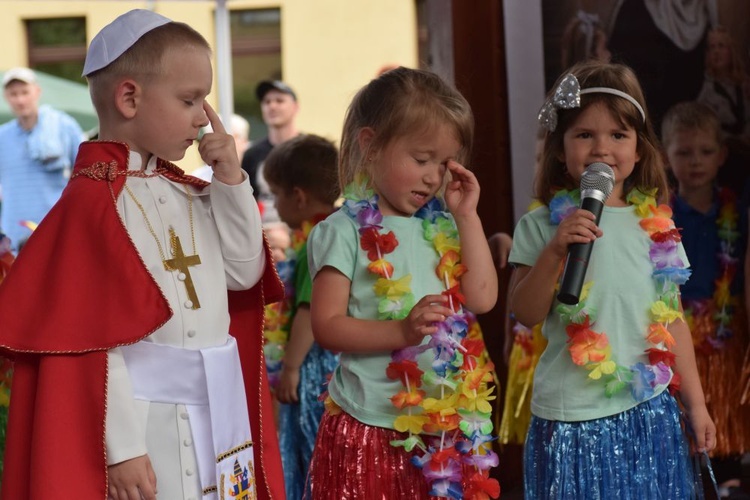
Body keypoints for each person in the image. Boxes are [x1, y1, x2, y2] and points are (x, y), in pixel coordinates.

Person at [0, 9, 284, 500]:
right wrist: (122, 448)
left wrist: (231, 181)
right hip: (147, 425)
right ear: (129, 97)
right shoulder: (91, 207)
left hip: (221, 417)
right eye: (189, 99)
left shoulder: (193, 192)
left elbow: (244, 274)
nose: (202, 116)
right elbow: (86, 339)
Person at [510, 60, 715, 498]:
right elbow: (525, 313)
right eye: (585, 135)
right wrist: (555, 253)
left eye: (618, 136)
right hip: (571, 417)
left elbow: (673, 322)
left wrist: (696, 406)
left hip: (649, 411)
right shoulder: (541, 225)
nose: (602, 148)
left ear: (639, 151)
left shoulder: (657, 228)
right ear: (560, 151)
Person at [305, 67, 499, 499]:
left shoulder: (445, 227)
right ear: (370, 146)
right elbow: (327, 325)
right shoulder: (343, 231)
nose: (434, 177)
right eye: (421, 159)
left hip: (444, 433)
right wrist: (401, 332)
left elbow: (482, 298)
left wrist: (467, 216)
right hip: (370, 425)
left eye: (444, 163)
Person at [662, 101, 750, 496]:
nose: (695, 162)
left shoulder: (736, 210)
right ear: (666, 155)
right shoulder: (659, 215)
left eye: (705, 152)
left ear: (722, 156)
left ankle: (728, 478)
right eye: (683, 152)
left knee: (728, 424)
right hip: (678, 335)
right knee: (683, 431)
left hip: (726, 333)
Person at [261, 134, 340, 499]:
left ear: (299, 196)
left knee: (310, 454)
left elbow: (310, 308)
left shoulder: (319, 238)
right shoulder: (338, 229)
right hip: (326, 363)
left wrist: (290, 367)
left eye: (276, 193)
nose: (275, 204)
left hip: (312, 368)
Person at [0, 67, 84, 251]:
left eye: (24, 92)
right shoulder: (2, 136)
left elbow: (85, 171)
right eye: (13, 94)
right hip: (12, 236)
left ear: (37, 91)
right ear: (6, 97)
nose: (20, 99)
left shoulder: (63, 126)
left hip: (56, 229)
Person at [241, 79, 300, 222]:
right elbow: (247, 202)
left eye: (279, 101)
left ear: (295, 107)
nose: (272, 106)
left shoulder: (310, 149)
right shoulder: (252, 154)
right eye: (267, 102)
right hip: (264, 236)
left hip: (303, 236)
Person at [192, 113, 251, 182]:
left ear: (244, 141)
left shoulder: (255, 171)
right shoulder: (198, 177)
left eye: (224, 141)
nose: (214, 146)